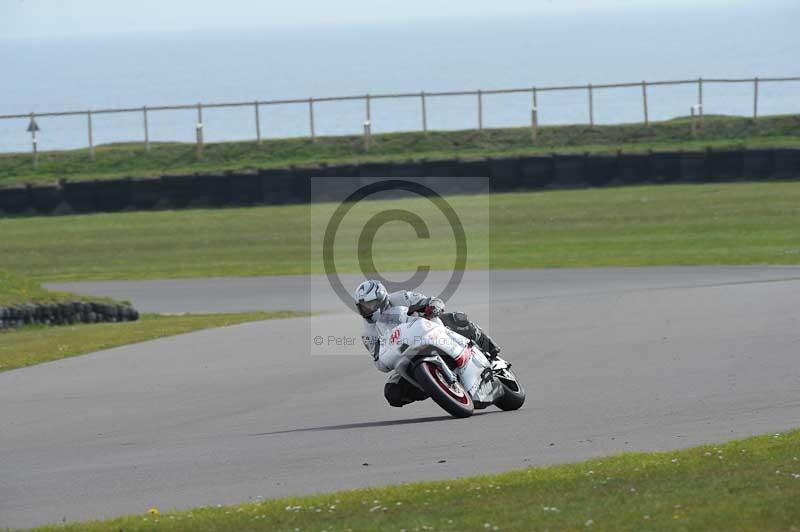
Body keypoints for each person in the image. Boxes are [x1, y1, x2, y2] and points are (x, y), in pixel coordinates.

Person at [354, 279, 501, 407]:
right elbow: (379, 363)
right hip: (405, 355)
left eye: (370, 305)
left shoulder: (401, 297)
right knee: (393, 392)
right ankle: (434, 386)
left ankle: (489, 347)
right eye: (363, 307)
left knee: (458, 318)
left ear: (381, 298)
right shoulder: (367, 333)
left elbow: (432, 301)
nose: (366, 310)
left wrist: (433, 307)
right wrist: (386, 359)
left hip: (430, 331)